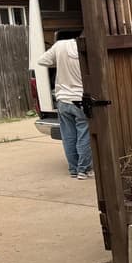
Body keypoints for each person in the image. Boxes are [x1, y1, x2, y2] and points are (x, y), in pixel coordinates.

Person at [37, 30, 92, 179]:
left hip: (62, 100)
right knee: (84, 134)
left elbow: (42, 61)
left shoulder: (61, 45)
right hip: (80, 100)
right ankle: (83, 170)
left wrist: (60, 62)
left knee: (68, 136)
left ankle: (73, 170)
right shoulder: (89, 50)